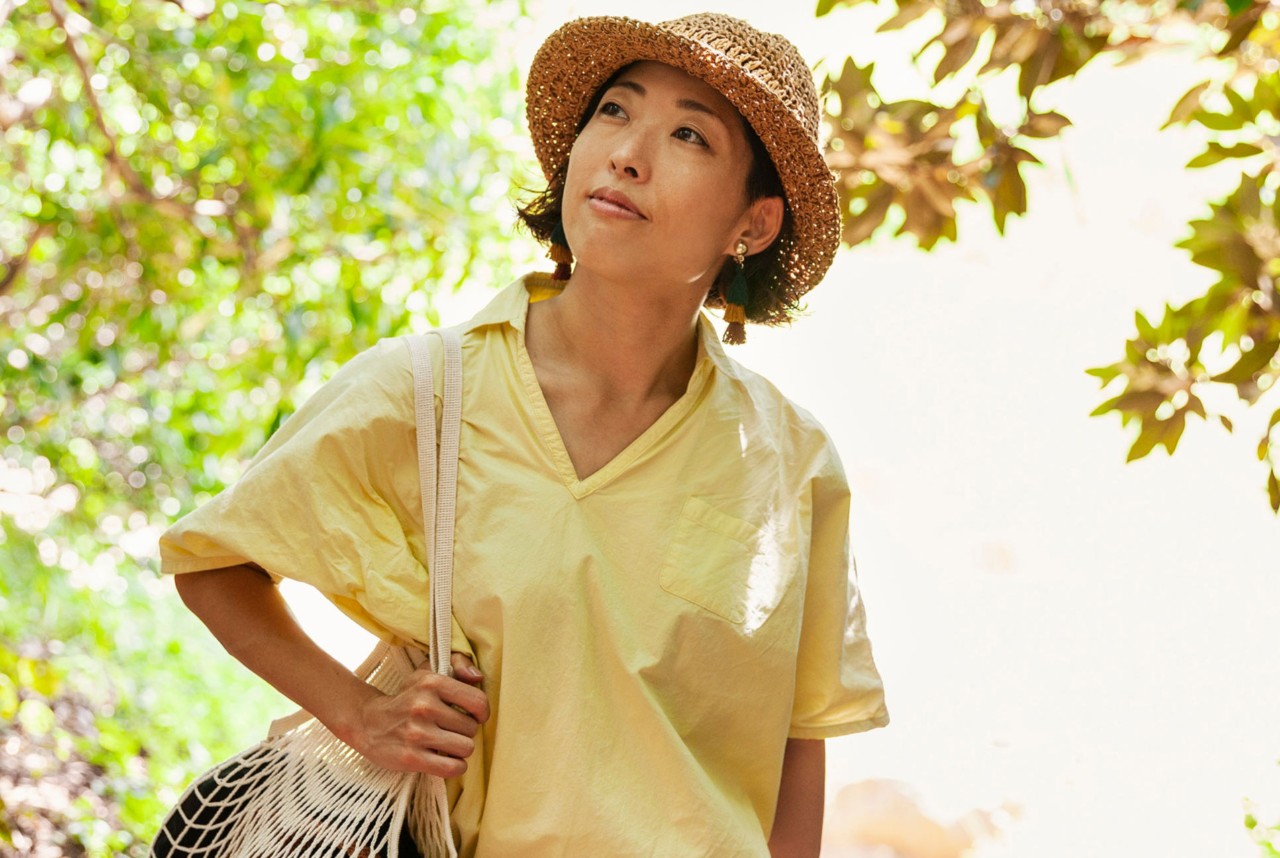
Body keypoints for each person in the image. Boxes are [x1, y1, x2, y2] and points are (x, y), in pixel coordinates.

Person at [160, 12, 889, 857]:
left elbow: (798, 741)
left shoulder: (790, 464)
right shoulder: (430, 390)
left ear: (752, 225)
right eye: (615, 111)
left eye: (689, 134)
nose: (627, 153)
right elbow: (216, 563)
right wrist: (362, 715)